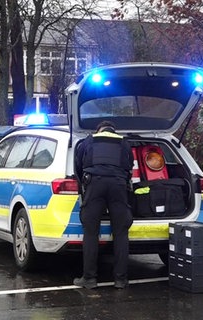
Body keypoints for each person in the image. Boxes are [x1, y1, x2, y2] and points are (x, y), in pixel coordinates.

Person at [73, 120, 134, 289]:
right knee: (121, 232)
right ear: (114, 130)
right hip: (118, 186)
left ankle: (89, 279)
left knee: (91, 232)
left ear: (98, 129)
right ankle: (121, 280)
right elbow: (129, 168)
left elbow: (78, 166)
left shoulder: (89, 141)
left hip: (94, 185)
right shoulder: (124, 143)